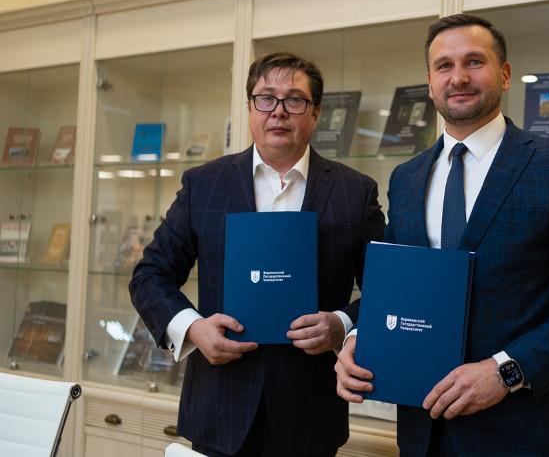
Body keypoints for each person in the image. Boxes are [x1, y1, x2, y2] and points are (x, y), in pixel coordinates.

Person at [334, 14, 549, 456]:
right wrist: (358, 338)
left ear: (504, 74)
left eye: (474, 62)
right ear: (430, 83)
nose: (458, 78)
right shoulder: (406, 178)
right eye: (444, 66)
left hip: (518, 433)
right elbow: (393, 289)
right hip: (420, 431)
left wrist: (506, 371)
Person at [130, 52, 385, 456]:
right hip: (219, 408)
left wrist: (341, 324)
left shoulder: (355, 191)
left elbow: (387, 292)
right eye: (266, 98)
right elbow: (149, 275)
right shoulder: (203, 185)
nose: (278, 111)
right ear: (250, 107)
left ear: (316, 112)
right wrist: (194, 329)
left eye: (294, 100)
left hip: (311, 413)